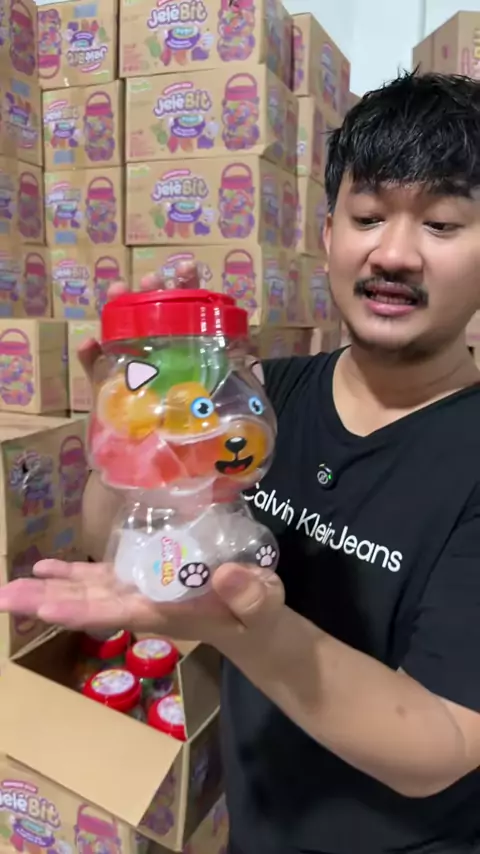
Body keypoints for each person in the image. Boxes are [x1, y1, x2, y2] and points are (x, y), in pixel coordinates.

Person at [3, 69, 480, 853]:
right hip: (257, 829)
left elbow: (444, 744)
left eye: (441, 223)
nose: (394, 252)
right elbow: (110, 541)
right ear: (329, 234)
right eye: (367, 216)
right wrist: (128, 420)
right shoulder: (266, 398)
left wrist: (240, 629)